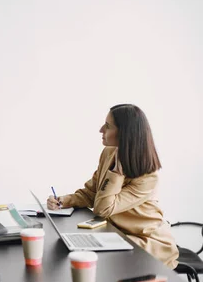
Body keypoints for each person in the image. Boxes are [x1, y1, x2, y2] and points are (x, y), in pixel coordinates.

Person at [47, 104, 179, 268]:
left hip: (144, 242)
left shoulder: (148, 178)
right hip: (115, 235)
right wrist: (63, 201)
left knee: (85, 258)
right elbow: (91, 193)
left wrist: (116, 174)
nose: (101, 130)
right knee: (70, 250)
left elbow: (103, 209)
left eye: (108, 126)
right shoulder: (108, 153)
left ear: (125, 134)